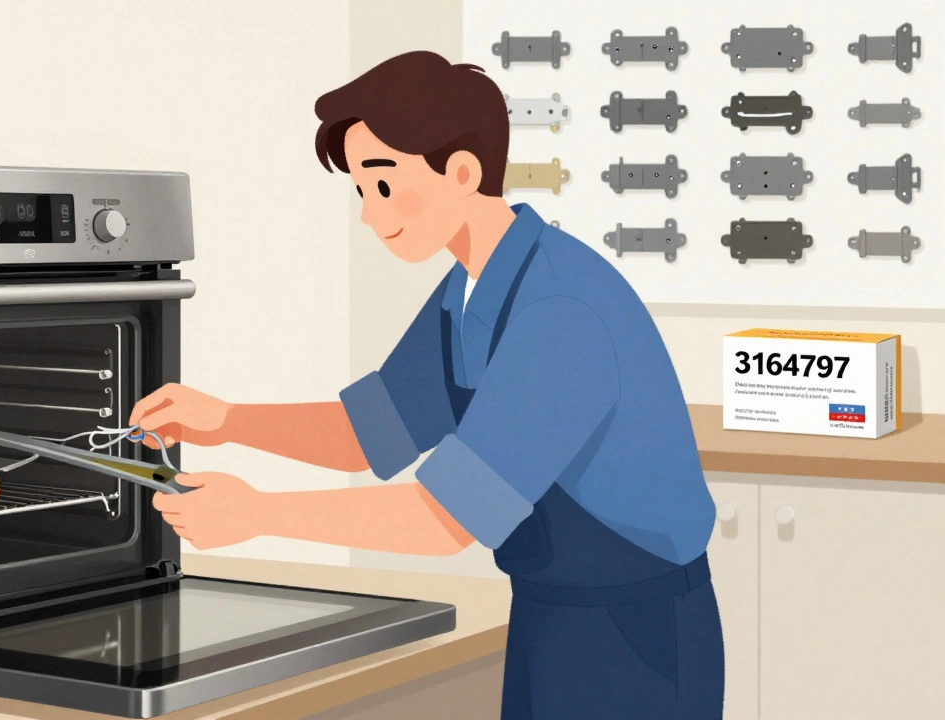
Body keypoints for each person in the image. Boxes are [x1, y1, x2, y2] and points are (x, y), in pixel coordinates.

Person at [129, 51, 725, 719]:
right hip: (549, 611)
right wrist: (227, 420)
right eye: (361, 191)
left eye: (383, 186)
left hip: (636, 633)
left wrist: (257, 513)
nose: (369, 215)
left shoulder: (559, 309)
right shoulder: (469, 292)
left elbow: (444, 520)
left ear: (462, 172)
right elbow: (368, 432)